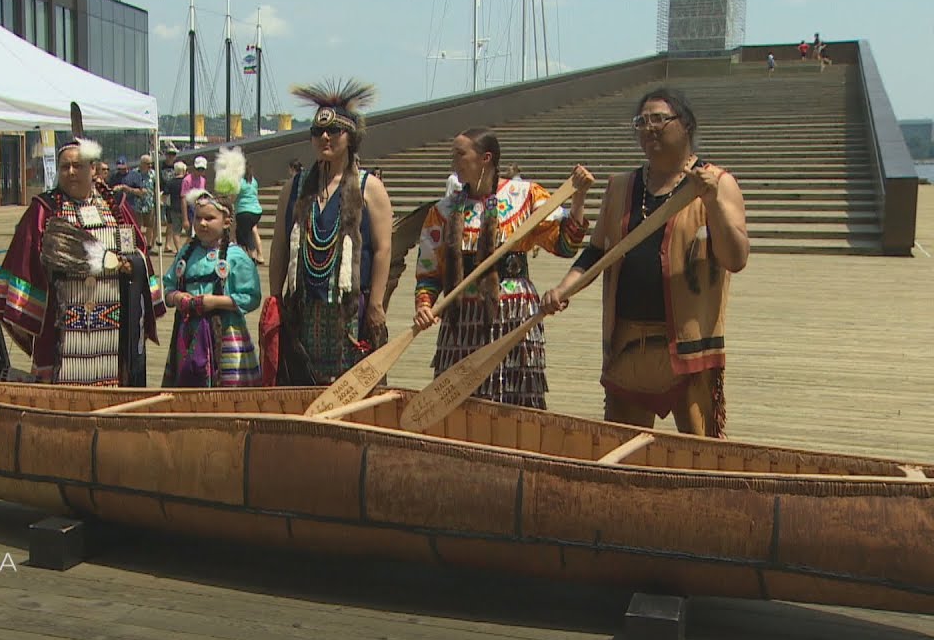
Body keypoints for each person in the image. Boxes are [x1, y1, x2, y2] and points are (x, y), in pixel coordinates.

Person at [540, 88, 748, 438]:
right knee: (622, 449)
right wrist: (563, 289)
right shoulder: (620, 187)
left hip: (689, 348)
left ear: (685, 125)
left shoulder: (717, 183)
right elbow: (596, 253)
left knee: (700, 452)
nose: (649, 128)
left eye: (659, 119)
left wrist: (712, 202)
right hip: (627, 344)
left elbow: (736, 257)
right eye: (642, 121)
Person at [414, 129, 593, 409]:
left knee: (517, 398)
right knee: (460, 404)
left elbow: (565, 245)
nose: (453, 162)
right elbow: (429, 273)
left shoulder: (525, 195)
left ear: (485, 158)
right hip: (462, 320)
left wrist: (579, 197)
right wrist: (424, 306)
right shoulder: (443, 211)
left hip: (514, 315)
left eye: (460, 154)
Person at [0, 137, 160, 386]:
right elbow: (24, 259)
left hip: (114, 327)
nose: (70, 172)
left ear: (93, 169)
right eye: (64, 167)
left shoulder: (116, 208)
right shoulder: (45, 209)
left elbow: (139, 250)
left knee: (113, 386)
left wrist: (130, 264)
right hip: (62, 326)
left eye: (77, 166)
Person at [268, 79, 394, 385]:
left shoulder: (369, 187)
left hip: (350, 310)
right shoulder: (295, 187)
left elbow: (383, 249)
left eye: (334, 131)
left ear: (350, 137)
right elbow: (280, 246)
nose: (325, 137)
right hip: (303, 308)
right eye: (317, 131)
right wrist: (274, 298)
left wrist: (376, 304)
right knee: (301, 385)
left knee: (351, 388)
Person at [162, 147, 262, 388]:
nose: (202, 224)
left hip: (226, 334)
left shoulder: (236, 257)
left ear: (227, 222)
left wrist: (214, 302)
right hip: (188, 332)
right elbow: (168, 285)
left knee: (226, 388)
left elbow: (251, 297)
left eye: (209, 218)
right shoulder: (186, 253)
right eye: (198, 218)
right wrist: (177, 297)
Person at [233, 163, 265, 264]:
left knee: (246, 236)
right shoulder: (253, 181)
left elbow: (233, 197)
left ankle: (252, 257)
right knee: (254, 230)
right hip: (256, 211)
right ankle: (260, 255)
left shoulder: (239, 182)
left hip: (244, 211)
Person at [163, 160, 188, 252]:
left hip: (173, 208)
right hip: (186, 208)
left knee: (176, 231)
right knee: (189, 232)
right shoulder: (186, 181)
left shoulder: (170, 182)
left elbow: (165, 195)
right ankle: (185, 248)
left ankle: (179, 249)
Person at [181, 157, 209, 233]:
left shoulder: (203, 180)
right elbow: (183, 199)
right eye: (198, 169)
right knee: (191, 235)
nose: (200, 171)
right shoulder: (187, 180)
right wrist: (185, 219)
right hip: (190, 210)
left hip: (200, 209)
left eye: (202, 169)